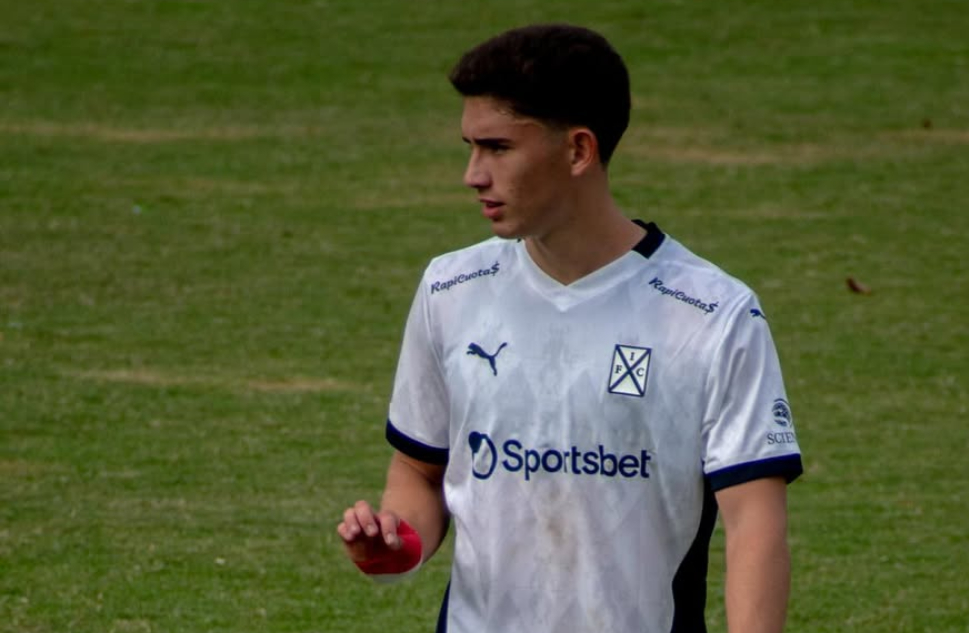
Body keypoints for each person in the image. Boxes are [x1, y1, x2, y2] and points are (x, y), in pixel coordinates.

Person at [337, 23, 804, 633]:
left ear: (579, 150)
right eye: (470, 147)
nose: (473, 174)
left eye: (497, 148)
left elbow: (753, 524)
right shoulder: (452, 289)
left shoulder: (711, 314)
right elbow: (419, 470)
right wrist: (397, 544)